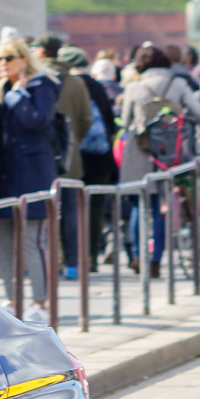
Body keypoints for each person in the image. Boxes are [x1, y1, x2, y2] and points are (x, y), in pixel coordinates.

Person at [118, 45, 200, 277]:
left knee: (141, 206)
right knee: (162, 208)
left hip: (140, 152)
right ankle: (156, 258)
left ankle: (139, 255)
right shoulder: (178, 84)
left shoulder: (134, 87)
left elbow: (125, 120)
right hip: (172, 153)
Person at [0, 38, 60, 324]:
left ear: (23, 60)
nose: (2, 64)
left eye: (8, 58)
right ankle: (11, 298)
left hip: (32, 172)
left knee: (30, 239)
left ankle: (40, 301)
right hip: (3, 173)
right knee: (3, 237)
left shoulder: (43, 86)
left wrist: (17, 96)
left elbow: (36, 121)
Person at [34, 36, 92, 280]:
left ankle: (44, 261)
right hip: (69, 157)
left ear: (41, 52)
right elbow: (86, 119)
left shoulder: (35, 79)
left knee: (41, 211)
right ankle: (72, 263)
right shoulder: (76, 82)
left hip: (38, 156)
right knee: (70, 211)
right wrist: (72, 141)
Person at [62, 46, 119, 272]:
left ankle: (71, 257)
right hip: (100, 158)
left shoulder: (64, 85)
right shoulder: (96, 85)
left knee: (70, 209)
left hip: (72, 158)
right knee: (94, 208)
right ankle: (91, 256)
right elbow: (109, 122)